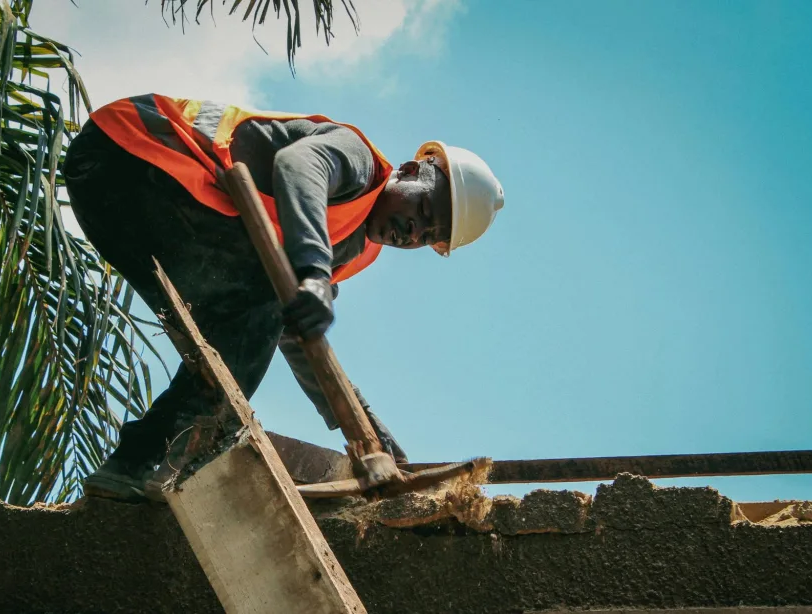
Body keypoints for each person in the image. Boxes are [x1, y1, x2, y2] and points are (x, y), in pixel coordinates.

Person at [63, 94, 504, 502]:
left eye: (429, 238)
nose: (413, 233)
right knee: (250, 327)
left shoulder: (352, 246)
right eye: (423, 212)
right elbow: (298, 164)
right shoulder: (360, 162)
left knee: (232, 353)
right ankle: (174, 461)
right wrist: (312, 273)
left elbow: (292, 332)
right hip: (129, 154)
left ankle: (132, 464)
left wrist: (365, 427)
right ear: (409, 171)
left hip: (135, 211)